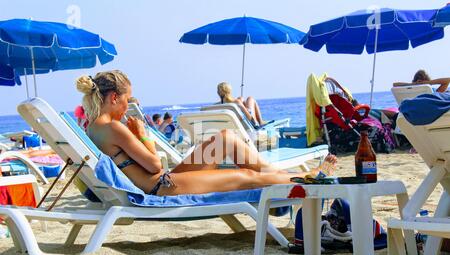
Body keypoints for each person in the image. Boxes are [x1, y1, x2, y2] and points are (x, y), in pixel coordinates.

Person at [76, 70, 337, 196]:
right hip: (162, 187)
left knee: (225, 139)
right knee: (246, 176)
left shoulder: (94, 127)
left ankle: (284, 176)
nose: (129, 105)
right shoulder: (113, 127)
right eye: (127, 100)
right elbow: (154, 164)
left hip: (161, 180)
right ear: (113, 98)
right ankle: (307, 177)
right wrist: (143, 134)